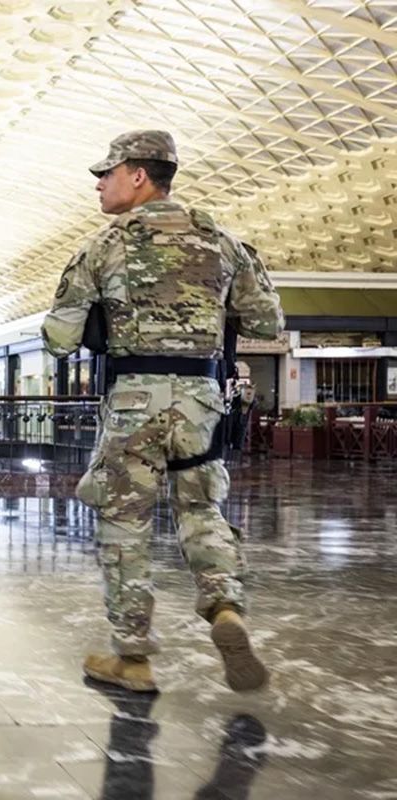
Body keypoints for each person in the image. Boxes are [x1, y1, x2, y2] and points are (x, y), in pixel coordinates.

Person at [42, 130, 284, 693]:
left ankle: (133, 657)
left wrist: (101, 322)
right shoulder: (224, 242)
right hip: (201, 400)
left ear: (138, 176)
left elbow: (57, 339)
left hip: (133, 402)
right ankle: (226, 608)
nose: (100, 183)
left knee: (125, 522)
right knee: (202, 510)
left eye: (108, 172)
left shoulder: (103, 246)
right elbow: (269, 326)